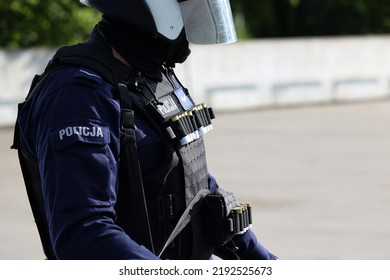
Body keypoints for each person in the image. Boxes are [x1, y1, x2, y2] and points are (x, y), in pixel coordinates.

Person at [12, 0, 277, 260]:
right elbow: (85, 235)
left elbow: (191, 181)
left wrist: (262, 260)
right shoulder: (78, 95)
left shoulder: (152, 76)